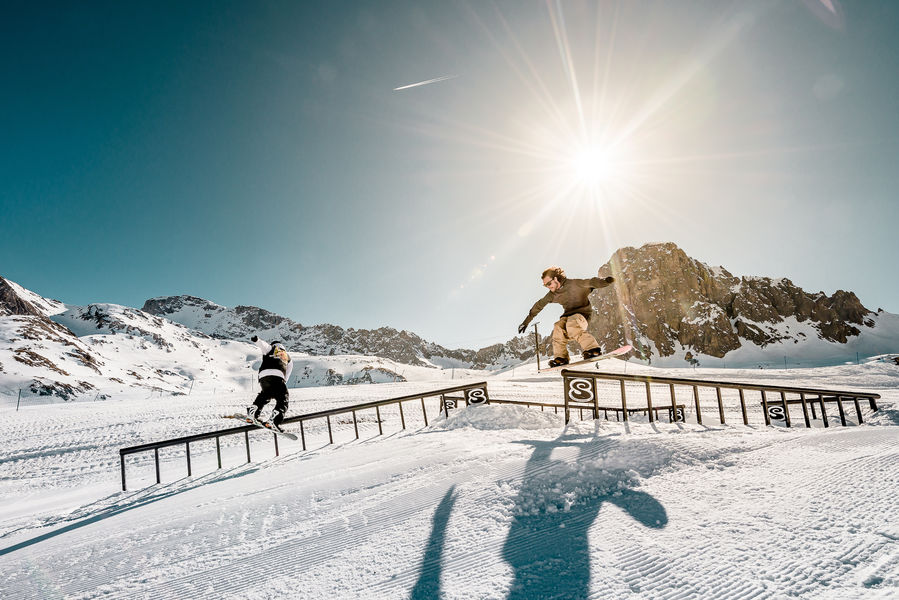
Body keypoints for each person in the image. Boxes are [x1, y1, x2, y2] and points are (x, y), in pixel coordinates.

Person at [517, 266, 614, 368]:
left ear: (556, 278)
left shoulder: (574, 284)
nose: (548, 287)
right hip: (567, 316)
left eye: (549, 283)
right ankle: (561, 358)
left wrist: (605, 282)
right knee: (558, 327)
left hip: (582, 315)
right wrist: (526, 322)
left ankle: (593, 349)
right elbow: (538, 306)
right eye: (545, 285)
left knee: (572, 323)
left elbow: (591, 282)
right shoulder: (552, 295)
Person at [246, 335, 293, 432]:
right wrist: (283, 382)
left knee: (265, 394)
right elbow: (288, 372)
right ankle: (274, 421)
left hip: (263, 377)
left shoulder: (271, 348)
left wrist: (257, 340)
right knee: (283, 399)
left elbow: (263, 345)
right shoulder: (287, 357)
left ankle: (253, 413)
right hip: (278, 376)